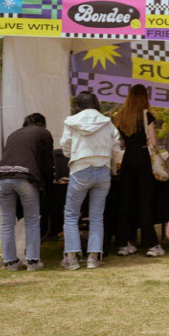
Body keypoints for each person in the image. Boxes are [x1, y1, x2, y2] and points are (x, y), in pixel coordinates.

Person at [59, 91, 121, 270]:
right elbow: (116, 147)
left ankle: (71, 258)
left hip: (80, 168)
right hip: (103, 169)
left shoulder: (71, 122)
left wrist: (75, 155)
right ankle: (93, 257)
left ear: (77, 104)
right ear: (96, 103)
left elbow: (65, 146)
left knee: (71, 214)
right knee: (96, 216)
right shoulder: (107, 122)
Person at [0, 113, 54, 271]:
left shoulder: (14, 134)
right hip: (25, 177)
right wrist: (48, 183)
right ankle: (33, 262)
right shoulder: (43, 133)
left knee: (6, 221)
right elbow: (47, 163)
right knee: (32, 219)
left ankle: (11, 262)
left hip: (1, 177)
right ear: (42, 123)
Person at [114, 84, 165, 257]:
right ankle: (151, 244)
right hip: (143, 159)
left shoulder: (120, 116)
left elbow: (119, 142)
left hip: (127, 159)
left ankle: (124, 243)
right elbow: (154, 142)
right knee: (145, 202)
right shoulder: (146, 115)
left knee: (125, 202)